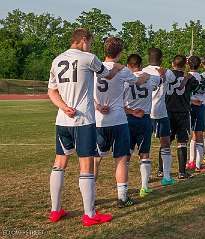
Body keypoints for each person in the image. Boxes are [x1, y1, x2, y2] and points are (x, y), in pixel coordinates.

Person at [48, 28, 124, 226]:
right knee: (86, 165)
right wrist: (117, 67)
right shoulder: (88, 58)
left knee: (59, 164)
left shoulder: (57, 60)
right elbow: (106, 74)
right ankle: (89, 215)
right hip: (83, 120)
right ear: (83, 40)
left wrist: (64, 107)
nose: (90, 45)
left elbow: (52, 92)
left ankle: (55, 210)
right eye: (90, 42)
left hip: (62, 120)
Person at [93, 37, 150, 207]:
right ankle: (122, 197)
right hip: (118, 120)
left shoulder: (95, 68)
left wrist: (98, 106)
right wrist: (146, 75)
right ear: (120, 52)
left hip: (99, 121)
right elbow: (138, 81)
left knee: (96, 159)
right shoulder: (122, 70)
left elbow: (88, 92)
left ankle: (91, 196)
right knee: (121, 159)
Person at [124, 54, 165, 196]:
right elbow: (160, 80)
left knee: (126, 154)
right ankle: (144, 186)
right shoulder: (150, 77)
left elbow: (118, 102)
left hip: (128, 119)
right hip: (145, 119)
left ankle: (124, 186)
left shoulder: (125, 80)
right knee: (144, 154)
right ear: (140, 64)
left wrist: (130, 110)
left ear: (129, 65)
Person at [141, 48, 179, 179]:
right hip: (160, 112)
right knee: (165, 143)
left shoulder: (143, 71)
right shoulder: (166, 71)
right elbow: (173, 79)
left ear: (148, 58)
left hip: (144, 112)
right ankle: (166, 176)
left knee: (145, 146)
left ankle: (146, 178)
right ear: (161, 59)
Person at [166, 55, 204, 177]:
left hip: (168, 111)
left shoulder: (167, 75)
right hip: (182, 112)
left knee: (166, 142)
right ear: (185, 65)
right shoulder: (189, 78)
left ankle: (161, 170)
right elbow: (196, 85)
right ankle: (182, 172)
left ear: (172, 63)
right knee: (182, 142)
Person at [187, 56, 205, 171]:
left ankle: (191, 161)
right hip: (200, 106)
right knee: (199, 133)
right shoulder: (203, 77)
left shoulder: (186, 77)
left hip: (188, 106)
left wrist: (191, 100)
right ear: (200, 65)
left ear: (187, 64)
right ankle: (198, 164)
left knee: (191, 135)